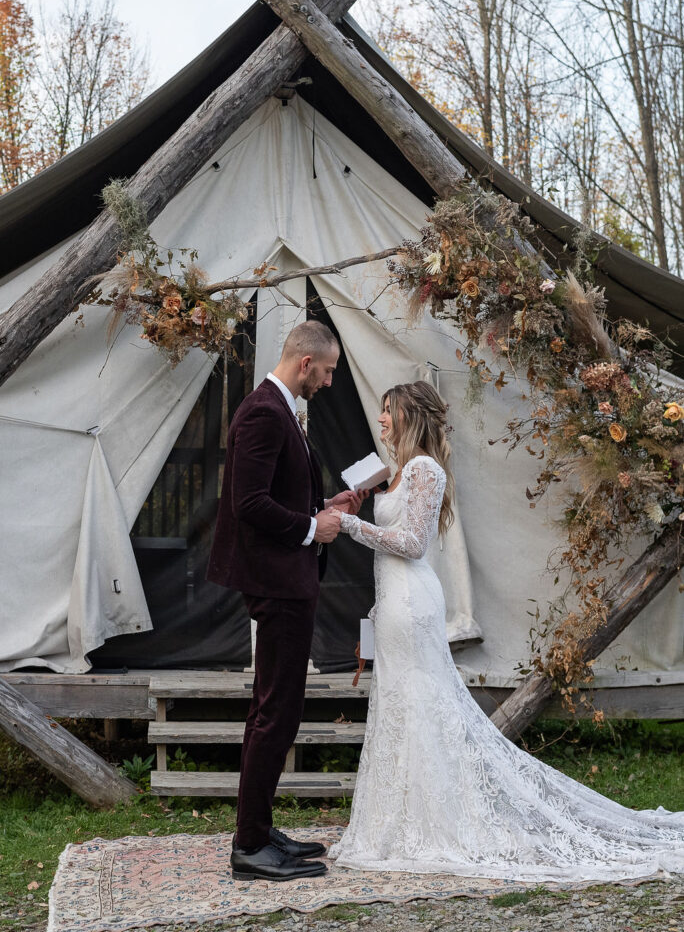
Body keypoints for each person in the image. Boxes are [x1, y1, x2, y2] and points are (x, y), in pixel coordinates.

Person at [328, 380, 684, 881]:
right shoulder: (400, 472)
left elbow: (412, 543)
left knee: (421, 707)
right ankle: (403, 817)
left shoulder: (426, 468)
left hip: (413, 605)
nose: (381, 420)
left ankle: (434, 820)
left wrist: (349, 527)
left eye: (388, 413)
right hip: (393, 605)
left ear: (410, 417)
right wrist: (359, 511)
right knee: (401, 708)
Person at [207, 320, 364, 882]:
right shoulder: (262, 413)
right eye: (327, 371)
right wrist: (310, 528)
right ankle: (249, 846)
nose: (327, 381)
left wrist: (326, 505)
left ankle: (258, 828)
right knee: (277, 711)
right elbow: (248, 504)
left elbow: (276, 492)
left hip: (288, 578)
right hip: (277, 582)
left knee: (275, 708)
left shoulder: (281, 411)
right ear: (305, 363)